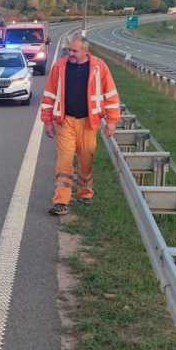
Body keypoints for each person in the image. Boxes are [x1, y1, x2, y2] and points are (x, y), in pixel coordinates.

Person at [40, 35, 121, 216]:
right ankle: (61, 200)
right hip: (65, 121)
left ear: (85, 51)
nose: (71, 53)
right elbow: (49, 95)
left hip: (88, 123)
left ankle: (85, 193)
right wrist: (47, 122)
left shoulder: (99, 68)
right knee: (65, 161)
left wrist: (112, 121)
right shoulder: (60, 66)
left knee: (86, 159)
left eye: (74, 51)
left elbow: (111, 95)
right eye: (69, 50)